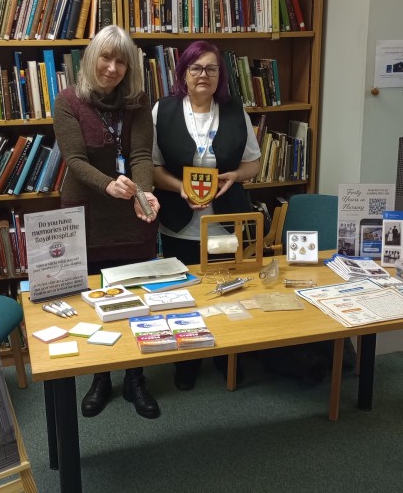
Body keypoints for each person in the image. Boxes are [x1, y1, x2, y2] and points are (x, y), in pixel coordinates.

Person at [53, 25, 161, 419]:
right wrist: (109, 185)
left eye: (121, 61)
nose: (113, 68)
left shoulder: (137, 100)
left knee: (137, 300)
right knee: (94, 301)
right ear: (91, 58)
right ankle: (99, 377)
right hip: (87, 211)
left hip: (132, 215)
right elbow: (75, 160)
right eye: (106, 57)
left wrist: (143, 192)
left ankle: (136, 378)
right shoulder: (68, 100)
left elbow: (142, 155)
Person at [152, 40, 261, 390]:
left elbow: (253, 163)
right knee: (184, 295)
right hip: (179, 222)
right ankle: (188, 360)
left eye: (211, 68)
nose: (204, 75)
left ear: (220, 76)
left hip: (225, 221)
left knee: (228, 293)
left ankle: (228, 357)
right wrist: (178, 187)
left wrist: (235, 176)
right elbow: (152, 168)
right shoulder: (163, 111)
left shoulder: (234, 111)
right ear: (183, 73)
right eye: (196, 68)